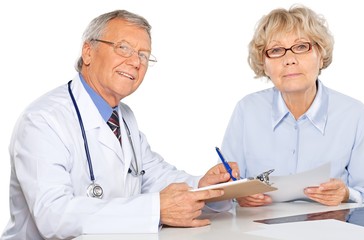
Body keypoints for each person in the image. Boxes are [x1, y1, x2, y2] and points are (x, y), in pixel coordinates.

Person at [1, 10, 238, 240]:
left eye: (144, 55)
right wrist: (155, 209)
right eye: (123, 48)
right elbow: (53, 216)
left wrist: (203, 187)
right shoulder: (43, 120)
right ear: (88, 52)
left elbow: (154, 175)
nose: (135, 61)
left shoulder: (123, 117)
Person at [220, 5, 364, 207]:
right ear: (263, 62)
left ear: (321, 53)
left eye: (301, 47)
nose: (289, 60)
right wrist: (238, 194)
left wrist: (346, 194)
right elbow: (223, 191)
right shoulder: (247, 110)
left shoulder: (353, 114)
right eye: (276, 50)